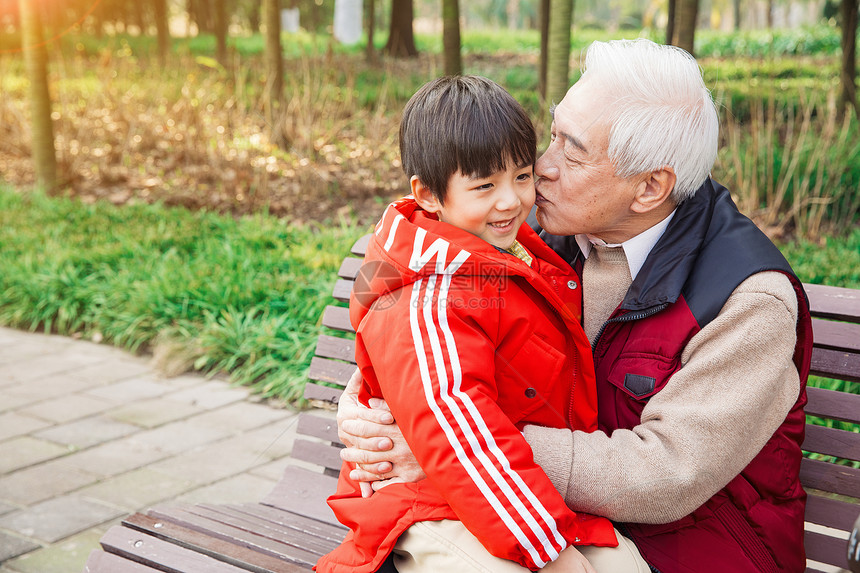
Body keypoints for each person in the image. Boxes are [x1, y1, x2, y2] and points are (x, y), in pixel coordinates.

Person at [337, 39, 814, 573]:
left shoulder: (748, 304)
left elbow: (664, 476)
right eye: (554, 133)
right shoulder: (537, 234)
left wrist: (449, 451)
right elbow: (418, 328)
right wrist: (374, 407)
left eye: (573, 150)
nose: (538, 168)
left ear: (650, 187)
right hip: (552, 516)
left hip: (693, 547)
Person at [315, 75, 652, 573]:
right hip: (420, 502)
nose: (511, 201)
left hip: (499, 488)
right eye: (484, 186)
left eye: (521, 176)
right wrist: (547, 545)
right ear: (428, 195)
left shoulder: (511, 252)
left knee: (624, 568)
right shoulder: (428, 295)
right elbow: (455, 426)